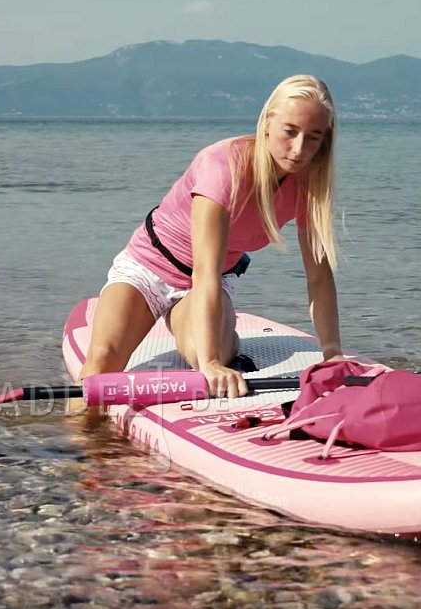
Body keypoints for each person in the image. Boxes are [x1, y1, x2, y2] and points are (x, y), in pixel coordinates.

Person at [76, 74, 345, 404]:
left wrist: (332, 354)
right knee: (102, 366)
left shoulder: (310, 187)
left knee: (210, 350)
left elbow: (318, 276)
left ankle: (223, 341)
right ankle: (74, 453)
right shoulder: (223, 165)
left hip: (209, 282)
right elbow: (204, 269)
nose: (299, 149)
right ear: (267, 123)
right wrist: (211, 365)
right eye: (290, 132)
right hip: (147, 269)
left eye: (313, 137)